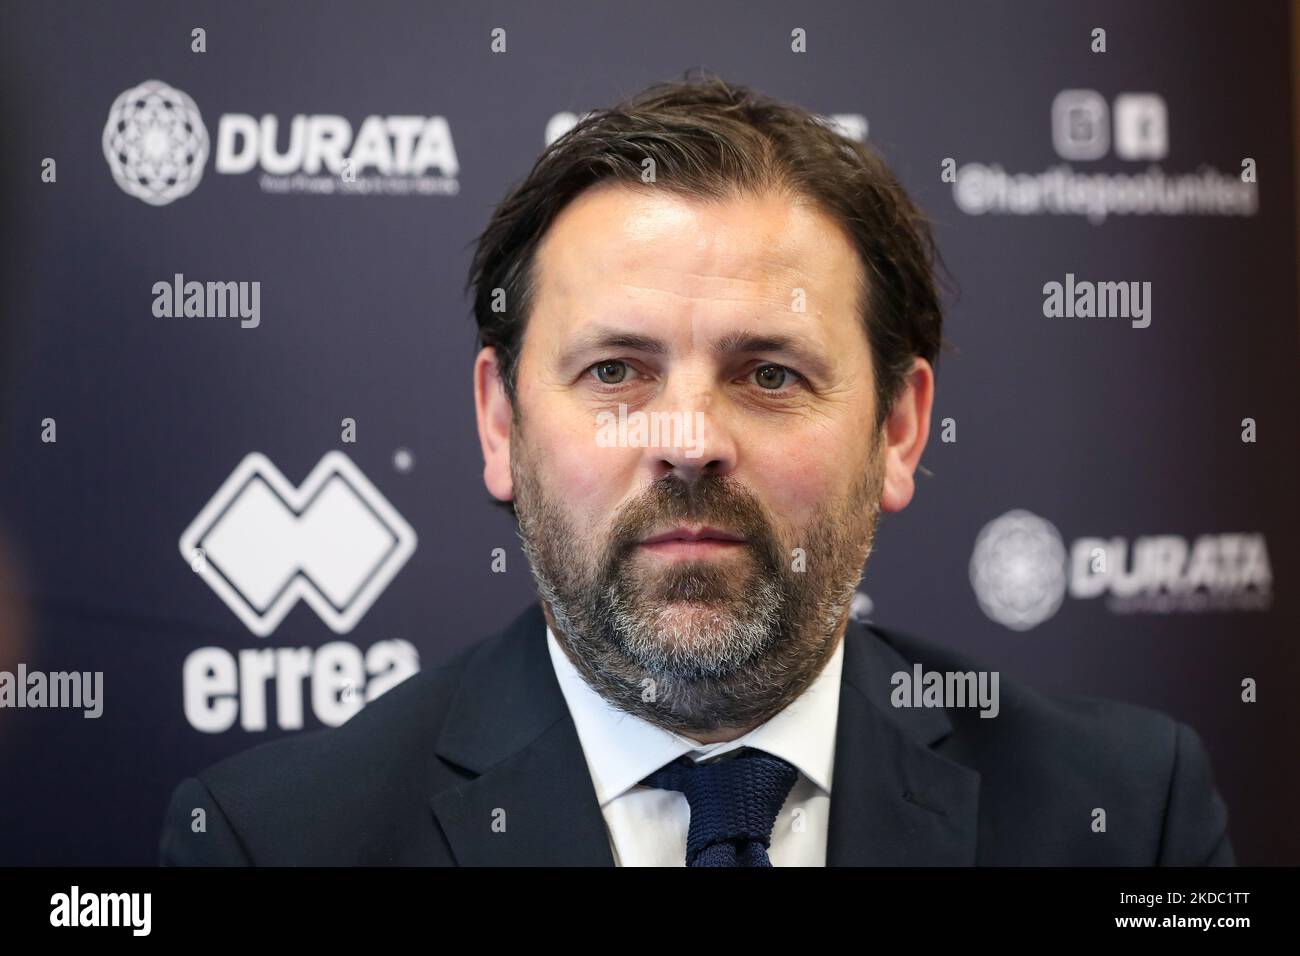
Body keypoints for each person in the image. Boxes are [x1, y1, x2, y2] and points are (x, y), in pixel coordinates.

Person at [159, 73, 1233, 866]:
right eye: (616, 369)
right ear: (501, 422)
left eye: (768, 373)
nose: (687, 438)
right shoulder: (274, 841)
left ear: (900, 430)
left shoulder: (1127, 816)